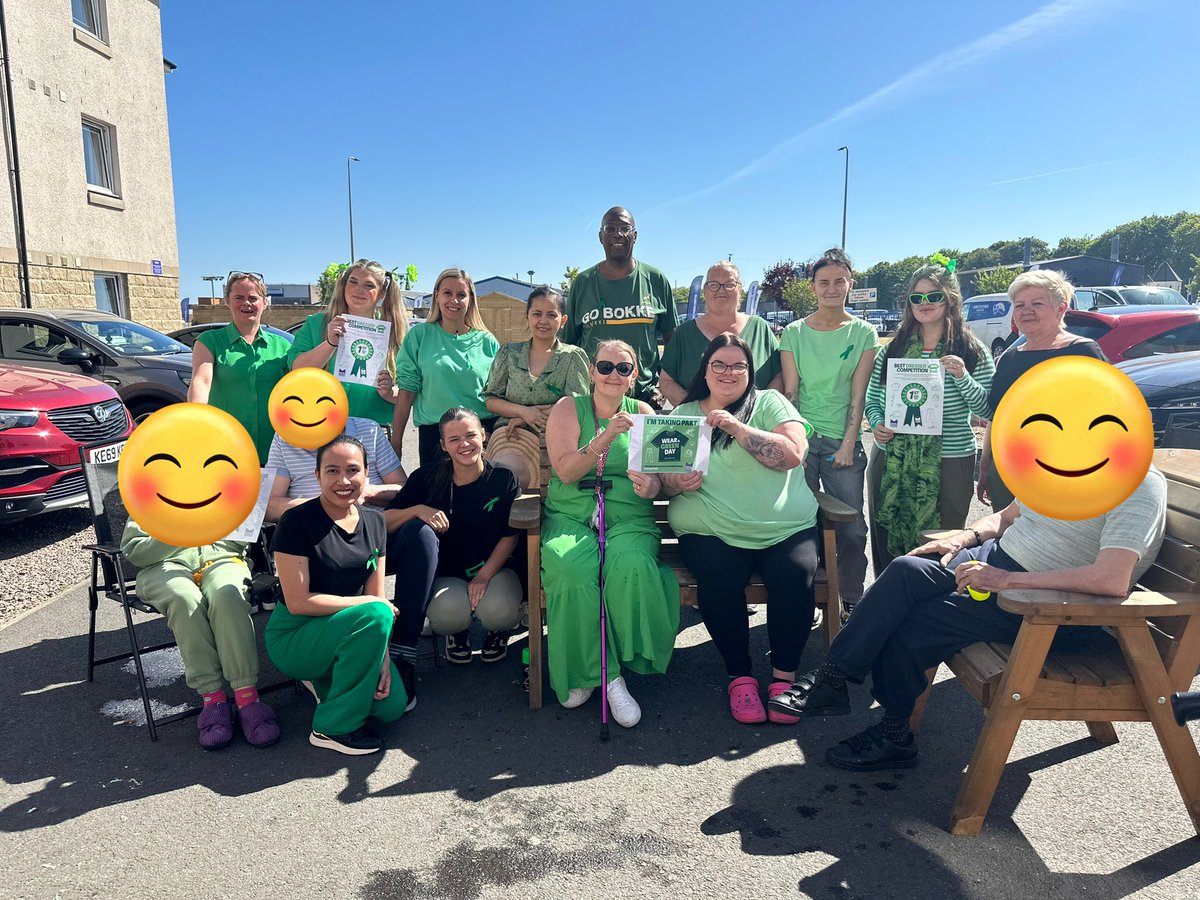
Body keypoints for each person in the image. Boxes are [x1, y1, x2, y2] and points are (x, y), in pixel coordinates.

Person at [767, 467, 1166, 771]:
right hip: (994, 564)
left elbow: (1111, 579)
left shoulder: (1138, 485)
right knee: (908, 568)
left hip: (1046, 605)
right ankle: (833, 676)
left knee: (911, 622)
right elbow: (1006, 518)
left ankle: (893, 735)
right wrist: (964, 537)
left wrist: (1007, 581)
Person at [662, 334, 817, 724]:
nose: (728, 372)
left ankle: (784, 679)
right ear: (706, 370)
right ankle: (740, 676)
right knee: (718, 578)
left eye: (738, 366)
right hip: (710, 527)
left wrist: (738, 429)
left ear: (750, 372)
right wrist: (675, 482)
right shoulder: (682, 415)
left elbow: (792, 455)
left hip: (784, 527)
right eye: (719, 364)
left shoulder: (768, 402)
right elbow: (662, 477)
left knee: (795, 575)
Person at [541, 340, 680, 726]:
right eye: (605, 366)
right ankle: (606, 674)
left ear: (634, 376)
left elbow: (658, 482)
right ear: (592, 372)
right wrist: (604, 436)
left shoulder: (645, 412)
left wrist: (652, 488)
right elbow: (566, 472)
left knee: (630, 565)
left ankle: (608, 669)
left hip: (628, 517)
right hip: (571, 515)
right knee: (570, 569)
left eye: (623, 368)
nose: (613, 375)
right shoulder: (569, 408)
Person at [266, 434, 406, 755]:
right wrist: (372, 607)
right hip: (296, 634)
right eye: (331, 471)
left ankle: (327, 678)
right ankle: (331, 727)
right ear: (316, 476)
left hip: (349, 630)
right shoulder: (296, 521)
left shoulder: (374, 522)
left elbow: (375, 595)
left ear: (367, 474)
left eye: (352, 470)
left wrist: (380, 658)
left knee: (391, 708)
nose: (343, 480)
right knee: (377, 611)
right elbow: (299, 602)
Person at [865, 258, 994, 573]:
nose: (925, 304)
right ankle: (887, 608)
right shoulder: (891, 350)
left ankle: (928, 616)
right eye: (917, 297)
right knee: (887, 539)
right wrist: (879, 422)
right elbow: (873, 399)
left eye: (934, 296)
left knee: (940, 546)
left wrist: (962, 377)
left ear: (950, 299)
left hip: (949, 462)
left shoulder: (972, 350)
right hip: (892, 458)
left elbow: (987, 410)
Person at [779, 248, 880, 616]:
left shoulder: (863, 332)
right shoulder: (793, 333)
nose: (832, 288)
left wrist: (850, 444)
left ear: (850, 285)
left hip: (843, 443)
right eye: (824, 282)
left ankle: (850, 598)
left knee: (851, 528)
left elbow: (859, 392)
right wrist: (796, 443)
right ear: (814, 287)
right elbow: (791, 394)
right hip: (803, 441)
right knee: (801, 525)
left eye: (839, 281)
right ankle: (813, 595)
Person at [119, 522, 279, 750]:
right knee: (184, 600)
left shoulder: (224, 486)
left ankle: (247, 697)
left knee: (227, 596)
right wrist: (180, 532)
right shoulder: (151, 492)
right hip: (162, 567)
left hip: (223, 559)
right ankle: (212, 698)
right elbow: (135, 551)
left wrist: (212, 531)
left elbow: (244, 534)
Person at [386, 408, 522, 665]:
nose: (465, 444)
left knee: (499, 610)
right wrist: (417, 510)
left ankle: (497, 631)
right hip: (448, 574)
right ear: (443, 446)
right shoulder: (426, 477)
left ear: (484, 435)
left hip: (493, 570)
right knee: (447, 614)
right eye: (454, 439)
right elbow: (384, 519)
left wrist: (483, 577)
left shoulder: (504, 478)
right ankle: (457, 632)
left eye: (470, 435)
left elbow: (510, 535)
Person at [977, 270, 1107, 511]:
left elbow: (1106, 418)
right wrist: (985, 468)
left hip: (1061, 474)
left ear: (1061, 308)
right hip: (1007, 472)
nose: (1027, 311)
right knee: (1004, 539)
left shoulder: (1083, 353)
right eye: (1020, 305)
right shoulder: (1009, 358)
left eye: (1037, 303)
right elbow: (997, 419)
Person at [565, 207, 678, 407]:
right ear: (601, 236)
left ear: (634, 236)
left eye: (625, 228)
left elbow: (673, 342)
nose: (618, 234)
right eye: (610, 228)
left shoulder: (656, 279)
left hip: (645, 398)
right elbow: (569, 345)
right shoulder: (582, 283)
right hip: (592, 399)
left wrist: (663, 386)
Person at [483, 285, 591, 489]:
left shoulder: (573, 357)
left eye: (551, 315)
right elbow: (491, 400)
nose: (543, 321)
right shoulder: (508, 353)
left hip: (557, 441)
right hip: (510, 439)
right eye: (537, 314)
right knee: (503, 487)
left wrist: (527, 417)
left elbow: (577, 404)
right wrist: (524, 412)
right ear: (527, 316)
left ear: (563, 320)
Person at [393, 267, 499, 466]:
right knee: (437, 496)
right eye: (447, 293)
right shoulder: (419, 336)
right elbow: (406, 392)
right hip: (435, 436)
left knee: (480, 497)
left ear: (471, 299)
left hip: (482, 434)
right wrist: (396, 440)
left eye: (461, 294)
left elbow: (501, 394)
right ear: (436, 296)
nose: (454, 300)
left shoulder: (487, 341)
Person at [288, 259, 409, 428]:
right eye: (353, 282)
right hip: (319, 425)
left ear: (381, 294)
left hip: (373, 430)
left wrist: (390, 393)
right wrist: (329, 343)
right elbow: (297, 370)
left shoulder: (395, 333)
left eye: (369, 285)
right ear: (344, 286)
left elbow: (410, 393)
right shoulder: (316, 324)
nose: (359, 289)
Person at [188, 271, 291, 465]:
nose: (247, 303)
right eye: (239, 297)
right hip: (226, 448)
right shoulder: (209, 341)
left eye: (253, 298)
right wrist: (196, 421)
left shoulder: (283, 345)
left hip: (275, 449)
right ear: (227, 301)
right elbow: (201, 382)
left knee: (272, 496)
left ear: (265, 302)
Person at [658, 261, 782, 407]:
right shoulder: (684, 333)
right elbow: (666, 381)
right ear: (705, 291)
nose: (721, 290)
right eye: (714, 285)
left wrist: (757, 412)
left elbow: (778, 376)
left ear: (740, 290)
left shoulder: (760, 328)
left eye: (729, 284)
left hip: (752, 425)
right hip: (698, 427)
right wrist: (696, 411)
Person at [265, 417, 406, 522]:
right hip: (313, 531)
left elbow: (405, 488)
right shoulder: (284, 439)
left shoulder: (370, 430)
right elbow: (269, 507)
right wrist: (325, 504)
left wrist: (368, 492)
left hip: (374, 526)